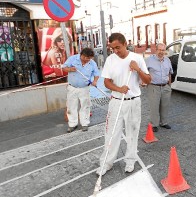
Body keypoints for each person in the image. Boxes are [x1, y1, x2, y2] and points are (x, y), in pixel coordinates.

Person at [97, 33, 151, 176]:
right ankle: (106, 163)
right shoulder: (110, 60)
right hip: (116, 101)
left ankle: (130, 161)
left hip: (133, 102)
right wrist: (119, 89)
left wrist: (138, 69)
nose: (115, 51)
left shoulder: (137, 58)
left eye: (118, 47)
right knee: (111, 133)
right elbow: (106, 81)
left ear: (125, 43)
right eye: (112, 48)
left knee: (132, 133)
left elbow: (148, 80)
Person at [62, 47, 100, 133]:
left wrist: (95, 81)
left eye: (89, 58)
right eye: (85, 57)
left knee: (85, 106)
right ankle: (72, 124)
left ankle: (85, 124)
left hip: (84, 88)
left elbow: (97, 74)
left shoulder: (92, 63)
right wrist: (70, 69)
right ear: (81, 55)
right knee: (71, 106)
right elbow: (64, 68)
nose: (87, 60)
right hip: (72, 87)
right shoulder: (73, 59)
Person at [145, 43, 173, 132]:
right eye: (160, 50)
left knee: (165, 106)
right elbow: (144, 73)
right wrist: (145, 83)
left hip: (165, 87)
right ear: (156, 50)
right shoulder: (149, 60)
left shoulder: (167, 60)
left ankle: (163, 122)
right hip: (153, 86)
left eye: (163, 50)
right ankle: (154, 124)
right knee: (154, 106)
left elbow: (169, 73)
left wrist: (169, 86)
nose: (161, 52)